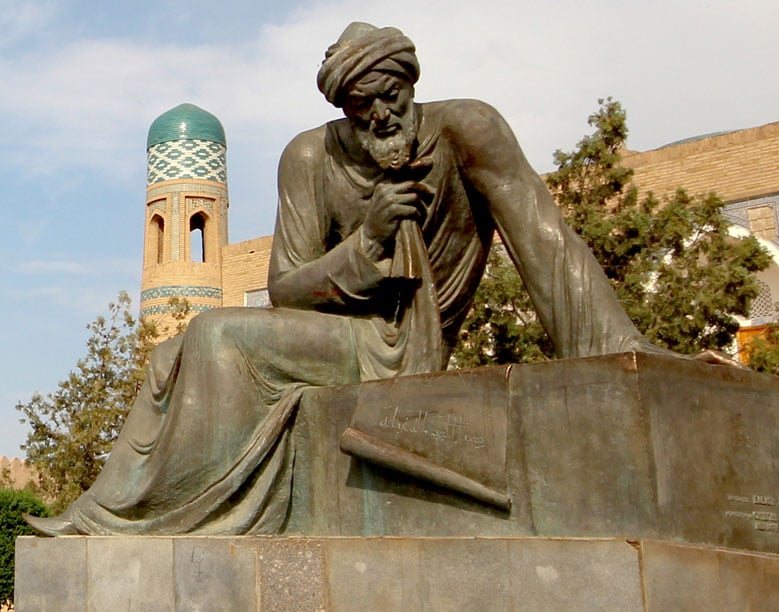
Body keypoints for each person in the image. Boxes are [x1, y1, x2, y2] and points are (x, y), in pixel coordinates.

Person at [26, 22, 660, 536]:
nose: (383, 116)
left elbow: (548, 244)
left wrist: (619, 351)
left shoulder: (469, 130)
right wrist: (367, 244)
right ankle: (124, 512)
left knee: (217, 336)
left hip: (402, 344)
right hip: (340, 337)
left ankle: (148, 518)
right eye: (364, 106)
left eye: (393, 97)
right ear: (344, 107)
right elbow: (286, 290)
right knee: (173, 353)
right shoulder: (310, 157)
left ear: (412, 84)